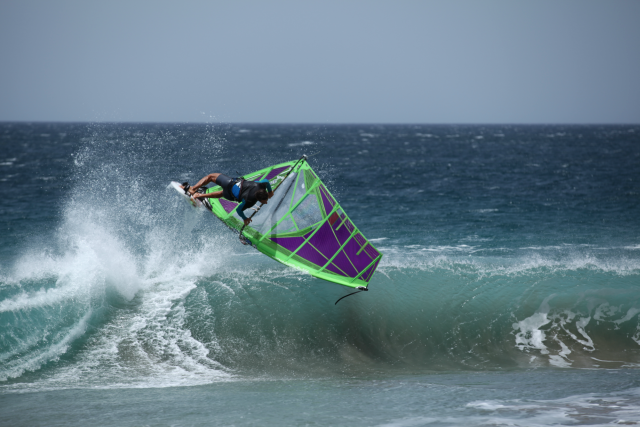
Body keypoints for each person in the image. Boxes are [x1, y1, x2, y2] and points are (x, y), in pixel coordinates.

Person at [182, 173, 273, 226]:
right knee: (221, 193)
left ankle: (193, 188)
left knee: (211, 177)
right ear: (257, 198)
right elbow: (238, 210)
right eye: (264, 201)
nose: (266, 202)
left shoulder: (261, 185)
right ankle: (198, 195)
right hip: (230, 194)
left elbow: (266, 181)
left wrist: (270, 191)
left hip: (230, 182)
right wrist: (245, 218)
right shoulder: (249, 201)